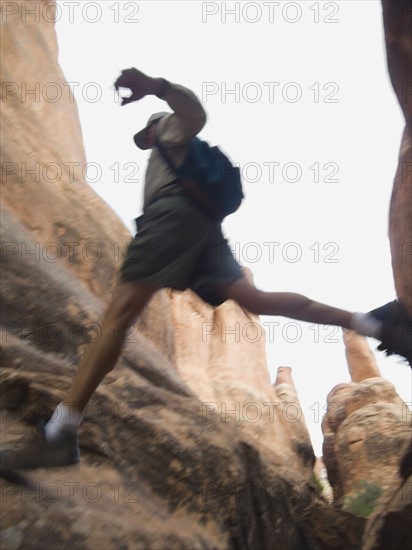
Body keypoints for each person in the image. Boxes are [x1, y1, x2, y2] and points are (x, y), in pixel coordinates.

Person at [1, 68, 410, 470]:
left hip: (171, 218)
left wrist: (156, 88)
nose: (144, 139)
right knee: (255, 299)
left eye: (146, 133)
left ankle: (60, 433)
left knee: (117, 321)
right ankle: (374, 324)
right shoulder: (170, 148)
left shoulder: (170, 132)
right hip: (203, 229)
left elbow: (195, 115)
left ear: (154, 129)